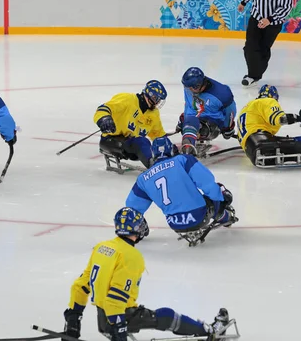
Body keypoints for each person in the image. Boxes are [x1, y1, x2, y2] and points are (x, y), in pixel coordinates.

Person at [63, 207, 233, 341]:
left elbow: (80, 286)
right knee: (166, 315)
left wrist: (73, 320)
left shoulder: (101, 247)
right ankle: (210, 332)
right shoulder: (131, 256)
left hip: (103, 317)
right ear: (137, 227)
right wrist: (119, 328)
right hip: (117, 316)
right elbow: (115, 299)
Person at [125, 136, 237, 246]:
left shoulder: (143, 178)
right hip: (198, 216)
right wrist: (222, 198)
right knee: (217, 192)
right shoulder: (183, 160)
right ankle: (226, 217)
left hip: (174, 223)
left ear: (153, 154)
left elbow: (132, 207)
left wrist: (139, 226)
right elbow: (207, 183)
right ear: (171, 150)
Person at [236, 84, 301, 168]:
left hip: (251, 151)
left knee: (289, 144)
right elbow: (281, 119)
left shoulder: (247, 107)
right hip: (262, 143)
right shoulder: (268, 101)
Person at [238, 0, 293, 87]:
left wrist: (270, 19)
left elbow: (287, 6)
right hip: (256, 18)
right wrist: (243, 2)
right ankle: (252, 75)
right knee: (249, 47)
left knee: (263, 49)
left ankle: (255, 75)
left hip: (273, 23)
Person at [94, 80, 167, 172]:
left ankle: (166, 164)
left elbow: (158, 134)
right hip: (111, 140)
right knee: (142, 142)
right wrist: (104, 119)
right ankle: (156, 168)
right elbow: (103, 108)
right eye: (157, 99)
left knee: (156, 146)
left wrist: (170, 148)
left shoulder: (154, 113)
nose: (157, 103)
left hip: (132, 146)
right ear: (150, 95)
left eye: (159, 101)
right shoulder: (127, 99)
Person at [176, 67, 236, 157]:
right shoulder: (189, 87)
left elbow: (230, 111)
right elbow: (189, 105)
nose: (188, 89)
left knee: (200, 128)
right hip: (195, 118)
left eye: (190, 88)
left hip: (213, 122)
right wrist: (185, 118)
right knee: (189, 124)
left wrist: (227, 127)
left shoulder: (222, 93)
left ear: (198, 86)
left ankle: (189, 146)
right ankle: (188, 145)